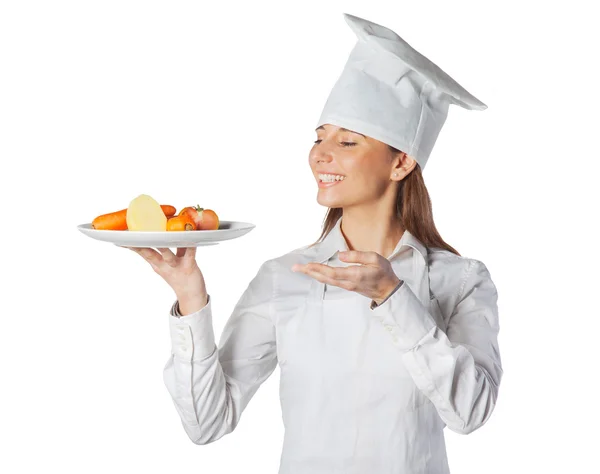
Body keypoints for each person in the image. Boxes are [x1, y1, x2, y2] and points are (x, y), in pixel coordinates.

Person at [126, 12, 502, 474]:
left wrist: (393, 297)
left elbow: (471, 413)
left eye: (347, 142)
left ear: (400, 162)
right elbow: (207, 422)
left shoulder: (460, 280)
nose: (320, 155)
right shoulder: (284, 277)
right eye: (319, 137)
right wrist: (190, 298)